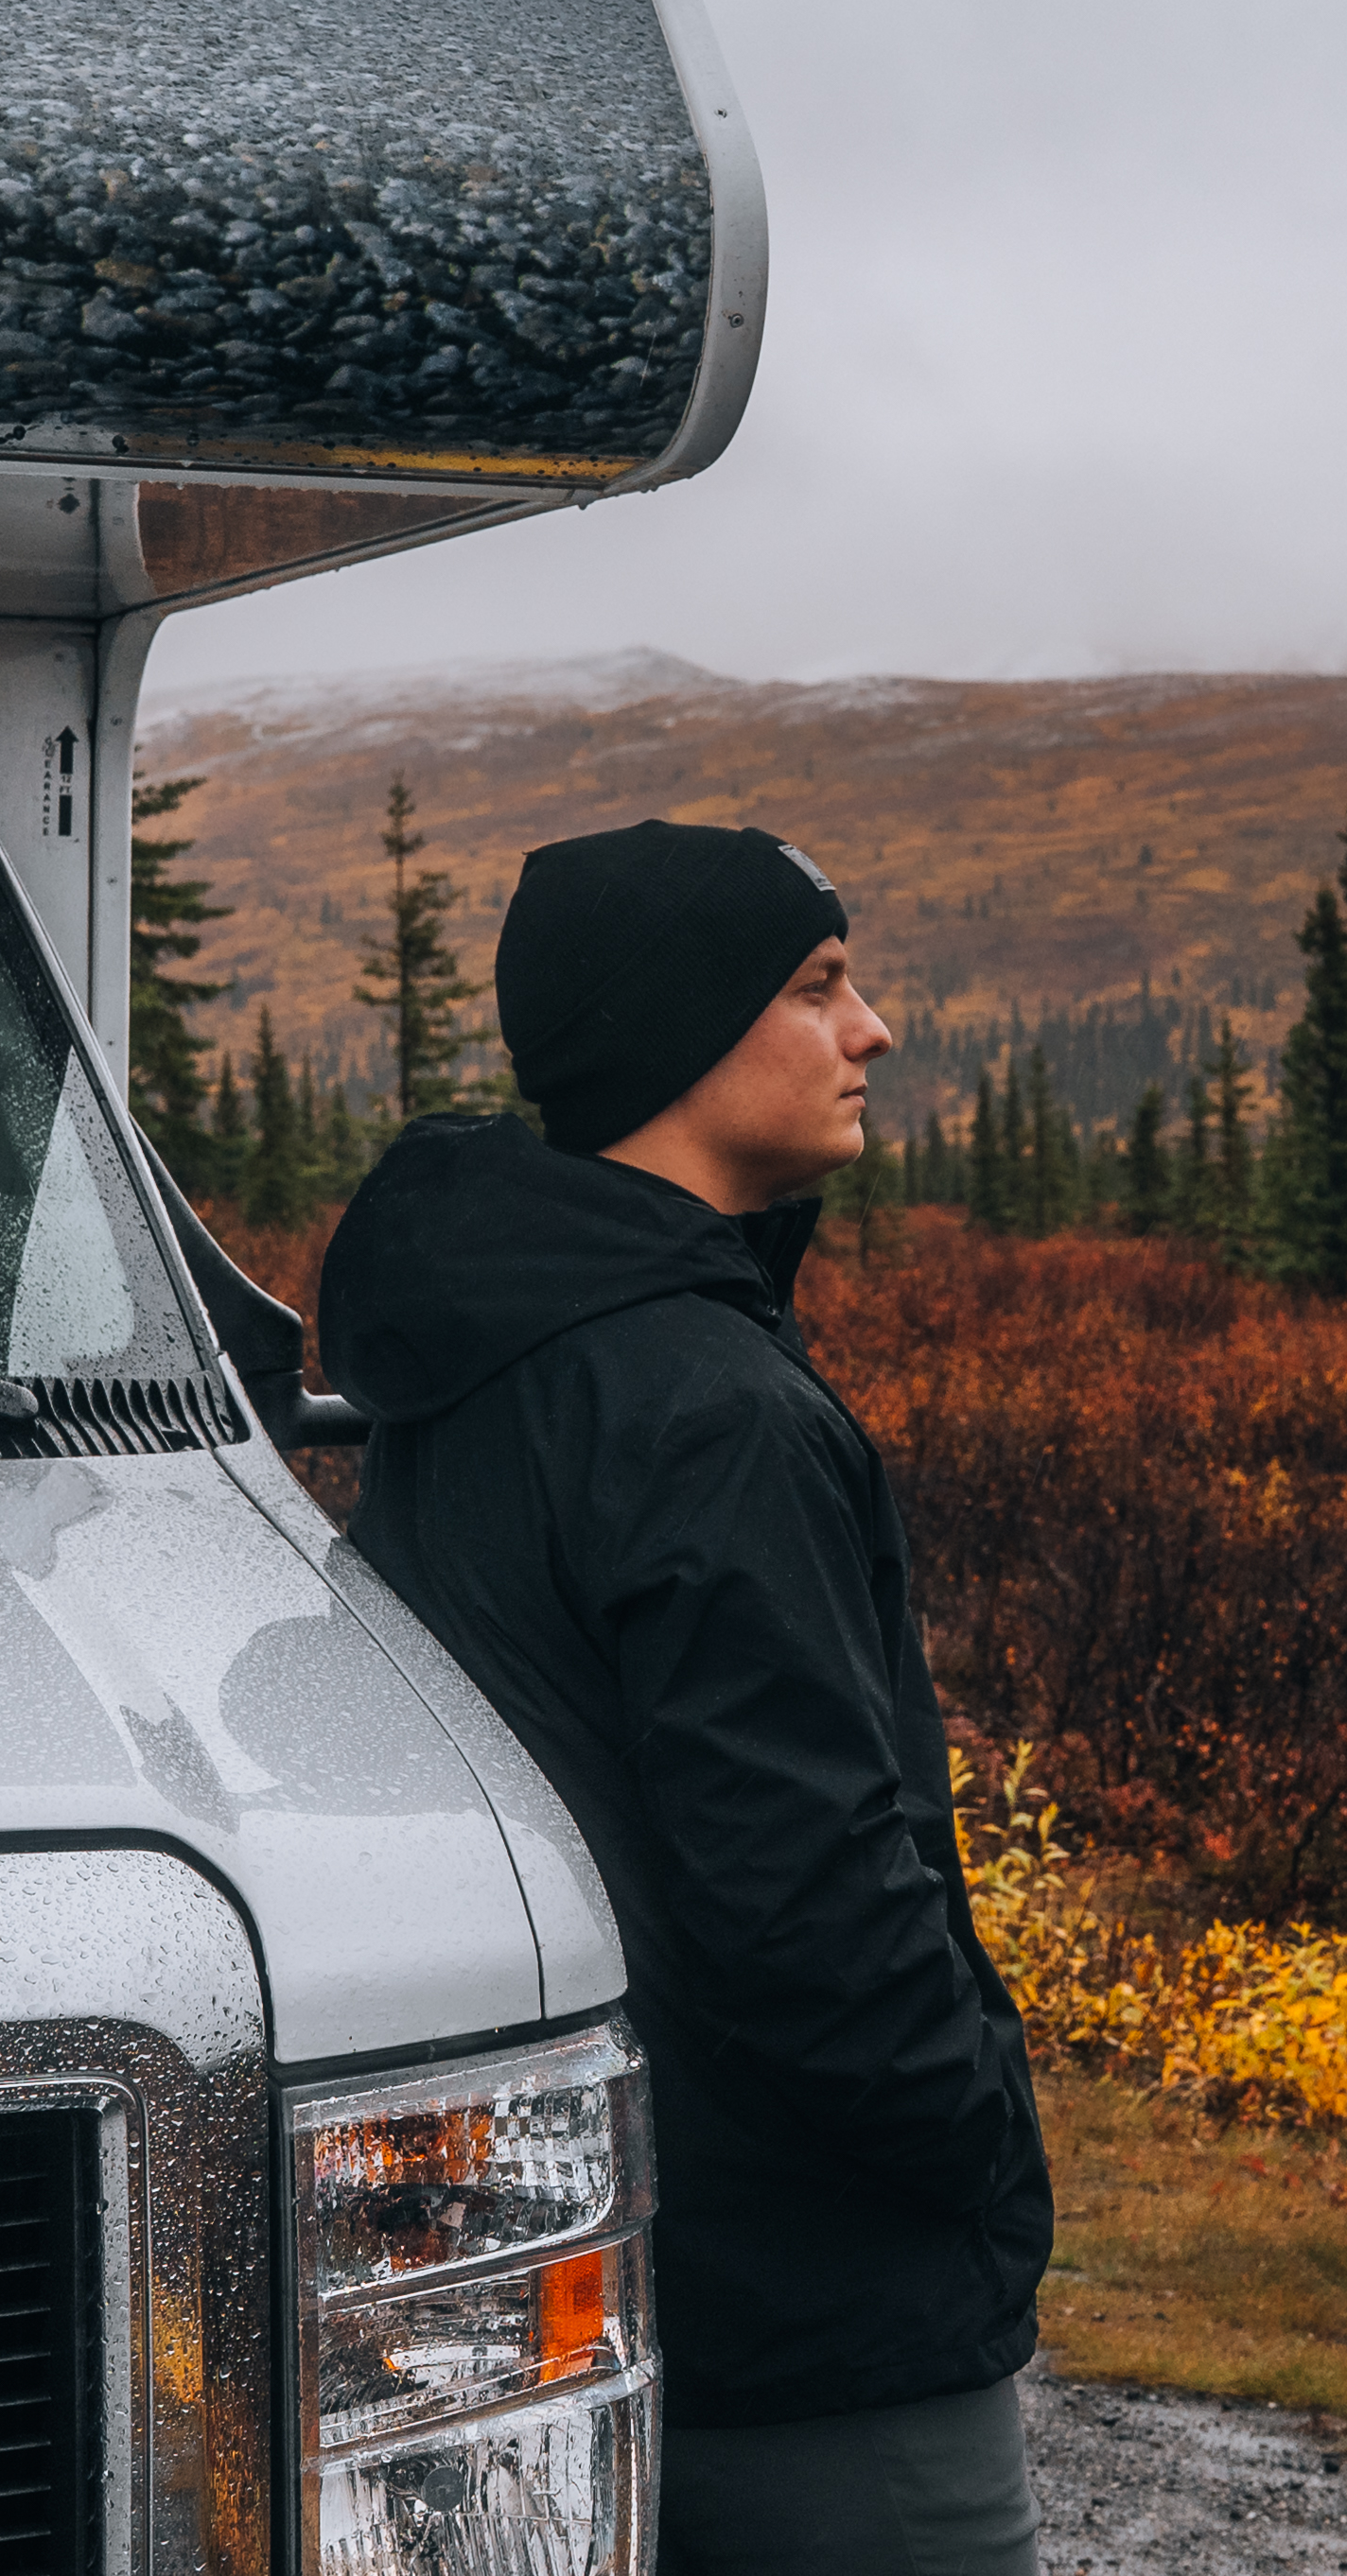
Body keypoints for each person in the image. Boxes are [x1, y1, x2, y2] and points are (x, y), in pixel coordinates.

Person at [320, 820, 1047, 2576]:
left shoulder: (485, 1360)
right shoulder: (703, 1407)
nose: (868, 1029)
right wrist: (973, 2147)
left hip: (600, 2240)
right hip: (819, 2307)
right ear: (681, 1032)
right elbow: (806, 1890)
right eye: (816, 988)